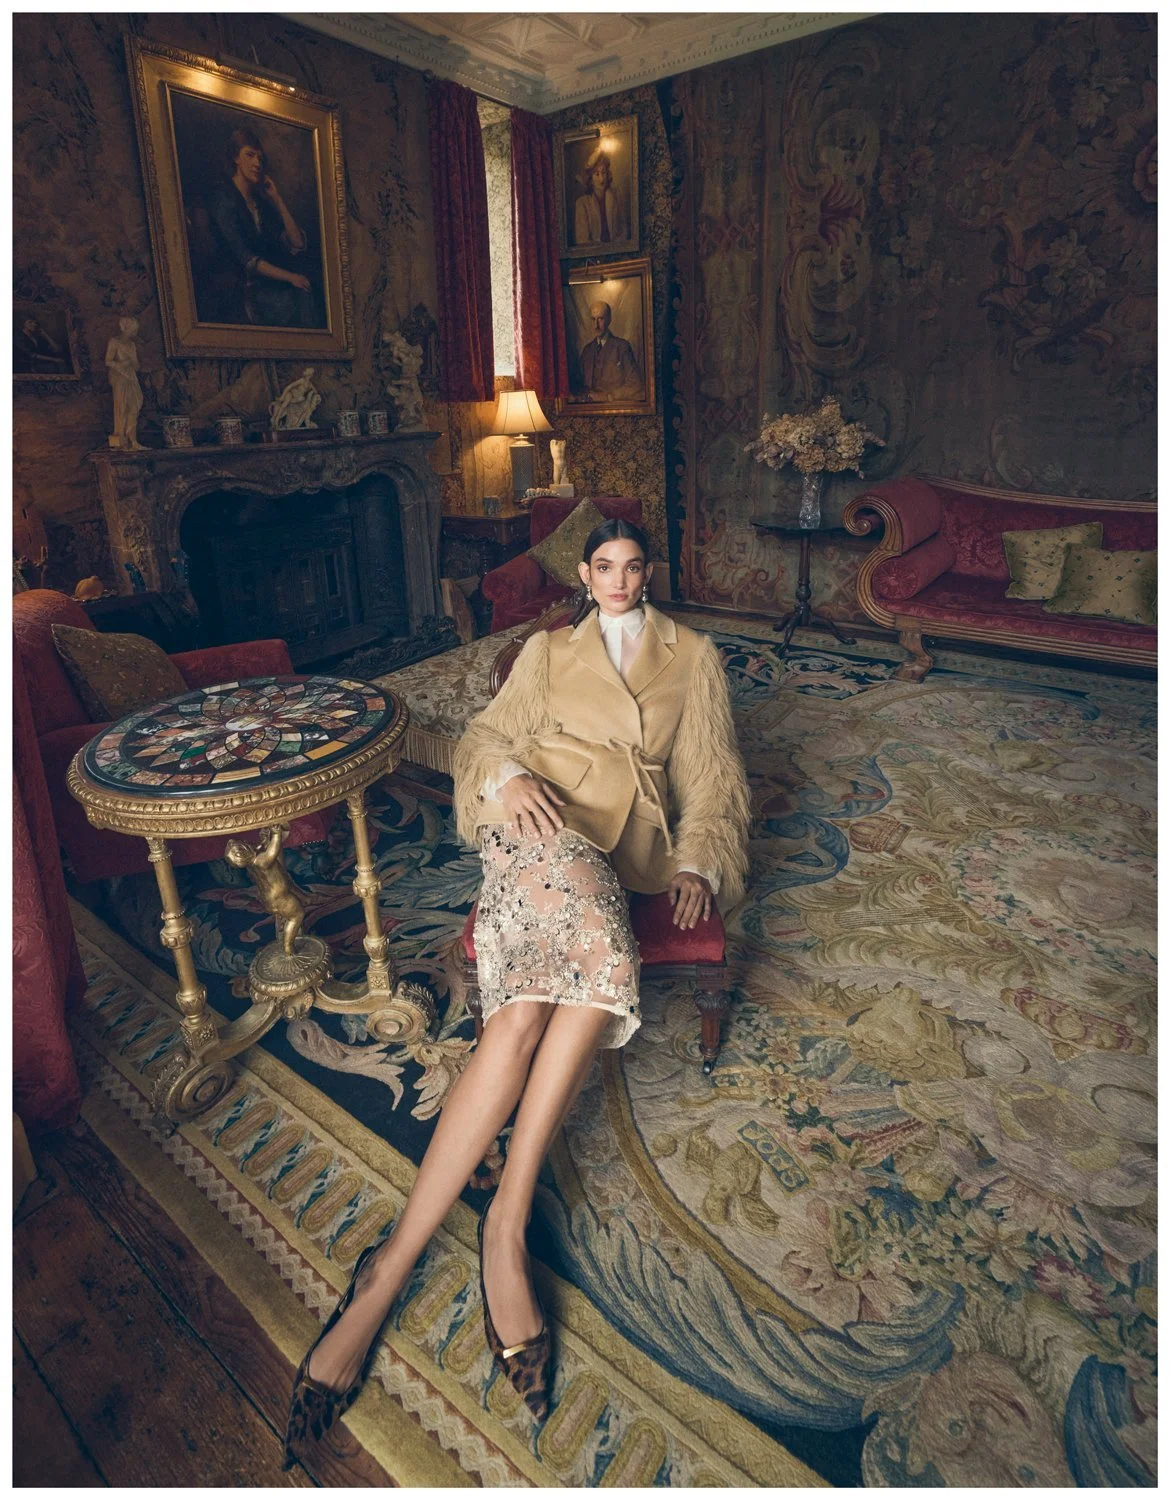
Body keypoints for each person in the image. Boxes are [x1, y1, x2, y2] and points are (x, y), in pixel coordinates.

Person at [283, 518, 750, 1464]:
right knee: (569, 977)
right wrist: (502, 777)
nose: (619, 580)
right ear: (584, 575)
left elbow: (712, 775)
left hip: (630, 851)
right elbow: (486, 737)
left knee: (547, 999)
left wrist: (700, 855)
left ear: (646, 575)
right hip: (539, 825)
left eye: (633, 568)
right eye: (604, 567)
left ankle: (445, 1240)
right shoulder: (545, 649)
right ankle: (444, 1251)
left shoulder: (693, 656)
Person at [198, 126, 318, 328]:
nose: (257, 163)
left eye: (260, 158)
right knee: (299, 290)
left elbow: (296, 242)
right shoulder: (223, 199)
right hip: (235, 286)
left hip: (263, 284)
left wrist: (277, 199)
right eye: (250, 155)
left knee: (307, 287)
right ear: (236, 158)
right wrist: (291, 277)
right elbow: (246, 259)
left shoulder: (260, 204)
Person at [578, 299, 643, 401]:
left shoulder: (622, 347)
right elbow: (579, 385)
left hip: (614, 407)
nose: (596, 325)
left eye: (600, 319)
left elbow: (636, 385)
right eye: (593, 319)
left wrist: (609, 396)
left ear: (609, 319)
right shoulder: (587, 351)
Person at [573, 150, 625, 245]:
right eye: (596, 174)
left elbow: (624, 230)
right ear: (590, 178)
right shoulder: (582, 203)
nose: (601, 178)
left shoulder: (617, 196)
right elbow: (582, 240)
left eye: (603, 172)